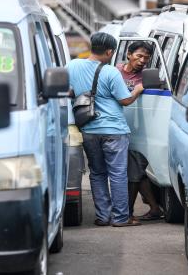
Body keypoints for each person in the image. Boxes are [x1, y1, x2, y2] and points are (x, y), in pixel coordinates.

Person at [67, 33, 144, 227]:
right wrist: (138, 89)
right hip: (114, 130)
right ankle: (120, 218)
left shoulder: (72, 65)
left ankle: (103, 216)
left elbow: (68, 92)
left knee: (97, 172)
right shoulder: (111, 72)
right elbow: (125, 100)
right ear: (109, 52)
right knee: (118, 174)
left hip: (88, 129)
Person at [116, 41, 164, 221]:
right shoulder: (115, 72)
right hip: (118, 127)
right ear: (129, 54)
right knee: (137, 171)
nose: (143, 60)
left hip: (140, 130)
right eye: (139, 56)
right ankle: (153, 208)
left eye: (146, 58)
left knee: (135, 171)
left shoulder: (148, 77)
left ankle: (127, 213)